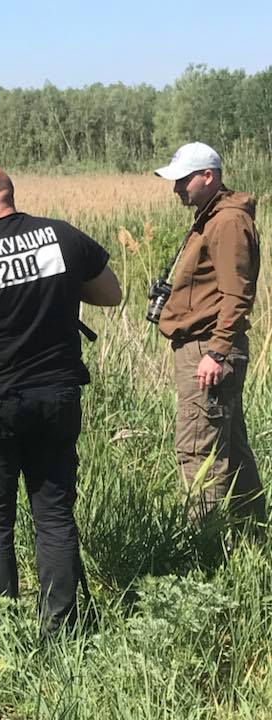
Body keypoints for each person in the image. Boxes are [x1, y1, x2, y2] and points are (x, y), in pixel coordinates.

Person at [0, 164, 121, 634]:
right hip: (57, 397)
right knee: (53, 514)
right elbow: (110, 293)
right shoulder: (62, 237)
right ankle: (62, 628)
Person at [153, 142, 266, 531]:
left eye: (184, 180)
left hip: (208, 348)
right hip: (204, 346)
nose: (177, 189)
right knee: (231, 450)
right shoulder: (211, 216)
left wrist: (216, 352)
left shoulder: (228, 222)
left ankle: (205, 553)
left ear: (208, 176)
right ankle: (254, 538)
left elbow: (238, 294)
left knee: (199, 452)